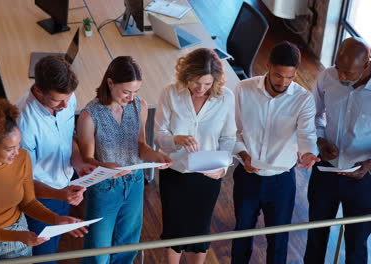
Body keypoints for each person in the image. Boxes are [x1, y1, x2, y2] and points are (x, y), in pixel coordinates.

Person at [304, 37, 371, 264]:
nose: (341, 77)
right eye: (339, 68)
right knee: (315, 236)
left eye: (348, 73)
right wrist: (320, 141)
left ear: (367, 64)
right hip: (325, 171)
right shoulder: (328, 76)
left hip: (363, 178)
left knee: (356, 243)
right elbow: (312, 114)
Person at [0, 97, 86, 263]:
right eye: (10, 149)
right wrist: (19, 236)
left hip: (17, 231)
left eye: (18, 146)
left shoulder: (22, 157)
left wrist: (56, 219)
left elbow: (28, 202)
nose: (17, 153)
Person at [230, 41, 320, 264]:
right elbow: (231, 132)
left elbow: (307, 134)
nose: (284, 82)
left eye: (290, 77)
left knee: (278, 242)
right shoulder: (243, 90)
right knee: (241, 236)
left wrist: (308, 153)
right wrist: (243, 155)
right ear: (268, 66)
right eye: (279, 76)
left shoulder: (303, 99)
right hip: (247, 176)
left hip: (282, 181)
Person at [77, 56, 172, 264]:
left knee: (127, 247)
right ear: (110, 83)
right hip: (104, 187)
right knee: (97, 253)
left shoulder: (140, 106)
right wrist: (106, 167)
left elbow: (141, 146)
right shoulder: (89, 115)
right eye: (126, 92)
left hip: (135, 183)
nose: (131, 98)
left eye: (135, 92)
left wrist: (157, 156)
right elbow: (87, 161)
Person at [154, 48, 236, 264]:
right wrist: (176, 139)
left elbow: (228, 138)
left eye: (207, 84)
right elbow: (159, 136)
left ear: (215, 81)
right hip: (175, 172)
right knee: (174, 229)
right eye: (196, 83)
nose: (201, 89)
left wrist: (223, 168)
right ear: (186, 76)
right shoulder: (170, 93)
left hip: (208, 174)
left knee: (200, 229)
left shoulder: (226, 97)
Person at [17, 56, 94, 263]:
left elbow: (68, 138)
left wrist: (78, 163)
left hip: (65, 186)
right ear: (39, 90)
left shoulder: (67, 99)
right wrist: (60, 194)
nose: (66, 105)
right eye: (58, 100)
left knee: (52, 247)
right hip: (40, 196)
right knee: (42, 256)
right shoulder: (24, 122)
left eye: (68, 99)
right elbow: (23, 182)